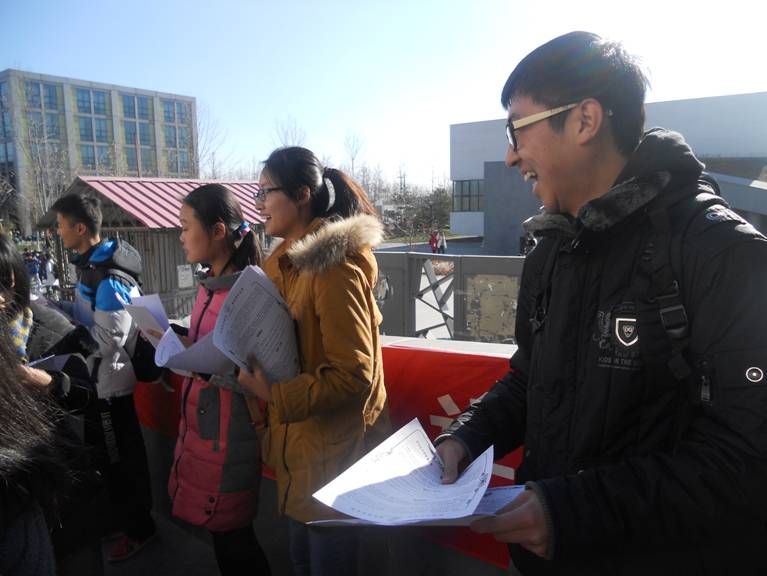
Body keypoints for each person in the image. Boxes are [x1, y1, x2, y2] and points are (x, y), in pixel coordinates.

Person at [436, 31, 767, 576]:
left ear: (585, 120)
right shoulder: (551, 248)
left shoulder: (719, 251)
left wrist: (572, 512)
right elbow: (530, 377)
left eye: (517, 129)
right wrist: (467, 437)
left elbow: (744, 457)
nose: (511, 155)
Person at [238, 147, 390, 576]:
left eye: (266, 192)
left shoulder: (332, 268)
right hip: (301, 456)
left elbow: (354, 375)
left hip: (336, 464)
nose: (259, 204)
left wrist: (275, 394)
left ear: (302, 194)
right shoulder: (282, 268)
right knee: (302, 562)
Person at [168, 184, 270, 576]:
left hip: (230, 439)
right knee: (228, 543)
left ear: (217, 231)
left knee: (236, 544)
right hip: (204, 432)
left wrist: (201, 364)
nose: (180, 236)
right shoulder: (210, 285)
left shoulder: (248, 292)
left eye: (185, 226)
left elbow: (262, 375)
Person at [50, 193, 156, 563]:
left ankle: (140, 528)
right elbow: (86, 318)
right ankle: (122, 520)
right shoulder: (91, 268)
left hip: (111, 389)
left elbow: (107, 341)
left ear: (80, 228)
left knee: (123, 463)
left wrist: (69, 335)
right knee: (109, 463)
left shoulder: (110, 279)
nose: (57, 232)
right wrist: (55, 310)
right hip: (97, 386)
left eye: (60, 225)